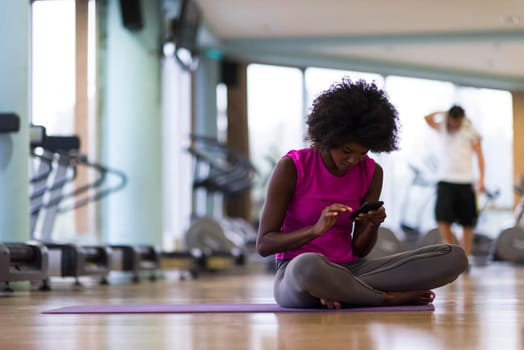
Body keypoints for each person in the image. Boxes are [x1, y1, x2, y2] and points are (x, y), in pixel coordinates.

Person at [256, 78, 468, 309]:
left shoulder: (372, 172)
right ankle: (384, 297)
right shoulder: (292, 167)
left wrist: (373, 224)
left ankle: (342, 291)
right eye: (347, 151)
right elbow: (265, 244)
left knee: (453, 257)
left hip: (351, 269)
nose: (353, 160)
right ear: (328, 137)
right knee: (308, 266)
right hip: (296, 272)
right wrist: (316, 230)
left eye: (362, 153)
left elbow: (359, 250)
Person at [424, 106, 485, 258]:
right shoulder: (443, 128)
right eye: (452, 121)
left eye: (457, 121)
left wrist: (481, 179)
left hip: (465, 181)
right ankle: (452, 254)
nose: (454, 125)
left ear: (462, 120)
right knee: (442, 219)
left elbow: (479, 156)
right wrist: (444, 113)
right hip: (445, 180)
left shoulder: (470, 131)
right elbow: (427, 118)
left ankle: (465, 257)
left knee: (468, 223)